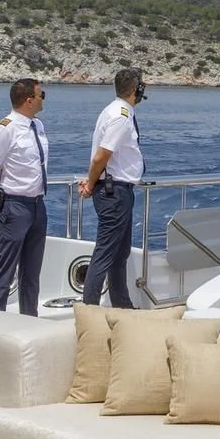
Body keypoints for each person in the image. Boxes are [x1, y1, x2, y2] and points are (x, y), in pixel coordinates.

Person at [77, 67, 145, 309]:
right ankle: (89, 309)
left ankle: (122, 306)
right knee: (106, 252)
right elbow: (101, 156)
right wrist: (91, 182)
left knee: (120, 253)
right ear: (136, 89)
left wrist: (92, 181)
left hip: (118, 190)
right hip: (114, 192)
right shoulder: (121, 116)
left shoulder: (114, 111)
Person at [0, 78, 49, 315]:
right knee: (5, 270)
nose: (44, 99)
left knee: (32, 272)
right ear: (29, 100)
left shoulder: (37, 126)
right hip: (14, 204)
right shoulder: (5, 128)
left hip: (37, 205)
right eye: (42, 95)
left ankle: (29, 319)